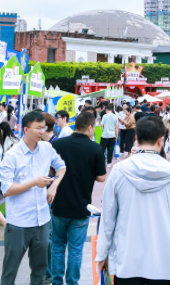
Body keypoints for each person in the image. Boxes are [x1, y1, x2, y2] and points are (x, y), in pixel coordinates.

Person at [93, 115, 170, 285]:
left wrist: (102, 254)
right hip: (164, 263)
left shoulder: (119, 171)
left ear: (136, 138)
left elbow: (107, 218)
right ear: (160, 140)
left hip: (127, 261)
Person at [0, 110, 68, 285]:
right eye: (38, 128)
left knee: (40, 269)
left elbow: (61, 167)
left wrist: (54, 186)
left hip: (42, 219)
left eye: (43, 128)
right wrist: (35, 182)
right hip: (19, 222)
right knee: (10, 269)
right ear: (26, 129)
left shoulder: (46, 148)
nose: (42, 131)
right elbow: (7, 190)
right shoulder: (12, 155)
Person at [50, 111, 107, 285]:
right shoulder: (95, 148)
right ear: (89, 127)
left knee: (57, 246)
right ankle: (72, 282)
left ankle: (56, 282)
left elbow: (51, 171)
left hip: (58, 204)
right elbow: (102, 177)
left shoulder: (58, 144)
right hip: (81, 206)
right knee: (75, 250)